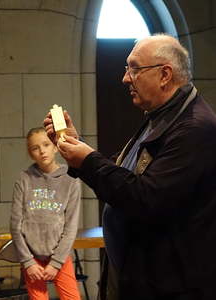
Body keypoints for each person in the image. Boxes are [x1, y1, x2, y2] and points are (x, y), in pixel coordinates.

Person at [44, 33, 216, 300]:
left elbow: (146, 197)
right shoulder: (162, 116)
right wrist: (76, 149)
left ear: (165, 74)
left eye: (134, 68)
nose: (125, 78)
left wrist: (88, 160)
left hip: (171, 285)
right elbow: (127, 171)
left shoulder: (194, 128)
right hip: (139, 273)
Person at [10, 127, 81, 300]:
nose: (42, 151)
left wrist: (56, 263)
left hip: (59, 256)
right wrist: (28, 262)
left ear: (55, 146)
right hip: (32, 257)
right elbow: (15, 225)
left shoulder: (71, 179)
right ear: (30, 152)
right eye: (35, 148)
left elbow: (71, 226)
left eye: (46, 145)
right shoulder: (25, 178)